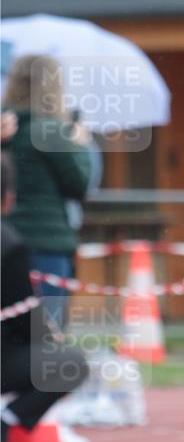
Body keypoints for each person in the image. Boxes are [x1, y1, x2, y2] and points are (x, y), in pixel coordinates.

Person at [1, 151, 89, 442]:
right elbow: (23, 313)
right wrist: (50, 339)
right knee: (71, 363)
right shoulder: (9, 243)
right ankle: (5, 424)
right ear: (9, 199)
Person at [2, 55, 92, 327]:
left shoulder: (6, 126)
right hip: (46, 243)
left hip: (6, 238)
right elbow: (80, 184)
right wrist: (80, 145)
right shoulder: (50, 131)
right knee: (48, 333)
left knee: (8, 324)